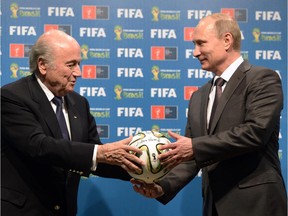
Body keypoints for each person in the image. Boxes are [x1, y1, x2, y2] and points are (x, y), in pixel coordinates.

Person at [131, 13, 287, 216]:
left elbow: (255, 132)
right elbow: (189, 157)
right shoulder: (199, 96)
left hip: (257, 205)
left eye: (201, 43)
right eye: (194, 45)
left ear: (227, 40)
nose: (195, 52)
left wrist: (194, 147)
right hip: (213, 206)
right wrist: (161, 186)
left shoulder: (262, 79)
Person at [1, 29, 144, 216]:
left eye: (79, 64)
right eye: (71, 65)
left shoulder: (79, 103)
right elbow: (39, 146)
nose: (79, 72)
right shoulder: (12, 97)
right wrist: (99, 152)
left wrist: (144, 171)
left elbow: (95, 158)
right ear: (43, 65)